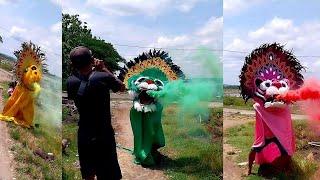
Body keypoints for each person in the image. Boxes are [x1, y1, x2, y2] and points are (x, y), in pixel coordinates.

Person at [67, 46, 125, 180]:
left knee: (88, 173)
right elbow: (121, 87)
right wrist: (104, 68)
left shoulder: (70, 82)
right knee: (108, 174)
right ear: (92, 60)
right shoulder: (103, 76)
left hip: (84, 133)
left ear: (72, 63)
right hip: (103, 133)